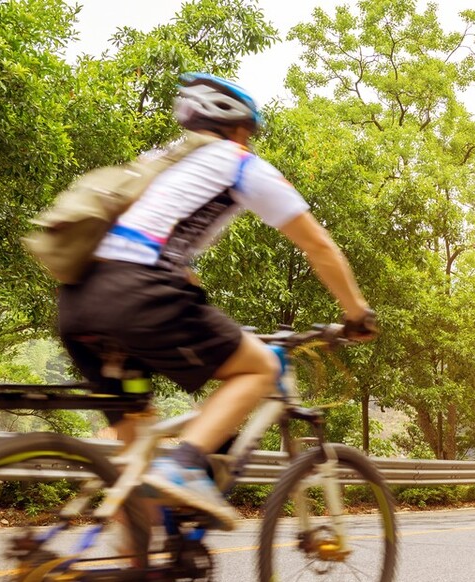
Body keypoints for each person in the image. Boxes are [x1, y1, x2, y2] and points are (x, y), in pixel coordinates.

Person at [57, 73, 377, 526]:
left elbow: (153, 252)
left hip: (78, 302)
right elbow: (318, 246)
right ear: (238, 128)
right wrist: (356, 313)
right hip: (139, 294)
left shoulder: (155, 164)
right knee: (262, 366)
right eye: (250, 132)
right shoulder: (240, 162)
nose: (249, 140)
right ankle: (186, 465)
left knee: (133, 476)